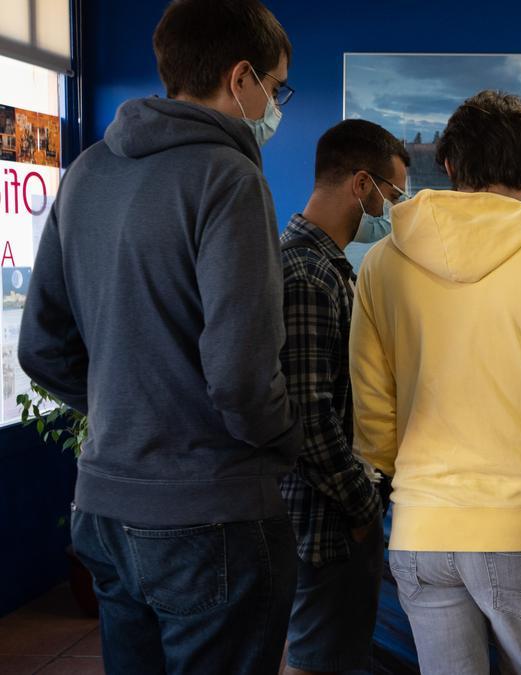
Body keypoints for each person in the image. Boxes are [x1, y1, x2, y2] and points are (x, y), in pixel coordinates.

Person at [18, 1, 301, 672]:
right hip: (213, 515)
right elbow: (240, 376)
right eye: (276, 86)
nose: (274, 104)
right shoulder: (230, 178)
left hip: (103, 506)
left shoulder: (86, 171)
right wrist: (289, 437)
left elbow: (39, 348)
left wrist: (129, 410)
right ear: (241, 79)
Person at [350, 90, 521, 675]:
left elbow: (371, 417)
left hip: (420, 527)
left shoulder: (381, 262)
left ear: (449, 164)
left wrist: (419, 478)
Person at [278, 119, 409, 675]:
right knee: (322, 656)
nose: (395, 210)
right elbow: (310, 415)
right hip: (325, 519)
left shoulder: (325, 265)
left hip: (328, 511)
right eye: (394, 194)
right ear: (362, 184)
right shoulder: (309, 274)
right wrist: (362, 506)